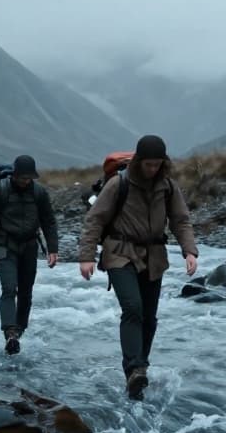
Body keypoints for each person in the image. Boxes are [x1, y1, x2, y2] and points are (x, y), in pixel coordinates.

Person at [78, 135, 199, 400]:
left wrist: (189, 250)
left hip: (154, 255)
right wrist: (86, 256)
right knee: (133, 308)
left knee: (149, 316)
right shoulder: (118, 184)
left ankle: (140, 368)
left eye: (158, 164)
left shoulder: (167, 186)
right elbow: (94, 221)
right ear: (139, 162)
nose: (153, 169)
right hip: (120, 253)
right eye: (148, 164)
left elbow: (181, 220)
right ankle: (134, 369)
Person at [0, 155, 59, 355]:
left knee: (26, 291)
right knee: (8, 287)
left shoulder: (39, 193)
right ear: (14, 174)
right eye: (22, 177)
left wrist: (53, 249)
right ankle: (10, 332)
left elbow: (49, 221)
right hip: (2, 244)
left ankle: (19, 331)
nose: (25, 181)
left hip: (29, 245)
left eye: (29, 178)